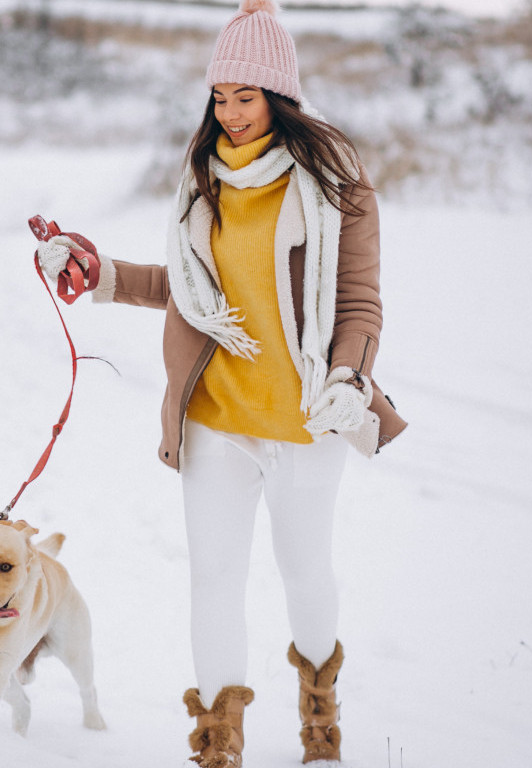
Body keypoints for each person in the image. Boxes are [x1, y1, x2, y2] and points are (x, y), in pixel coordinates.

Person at [33, 1, 407, 765]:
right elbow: (192, 288)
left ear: (281, 96)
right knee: (214, 580)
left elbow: (360, 299)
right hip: (214, 417)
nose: (231, 114)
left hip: (307, 415)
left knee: (305, 573)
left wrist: (350, 374)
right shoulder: (204, 177)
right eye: (220, 97)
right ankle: (217, 743)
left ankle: (319, 714)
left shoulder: (337, 183)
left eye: (247, 96)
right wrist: (96, 272)